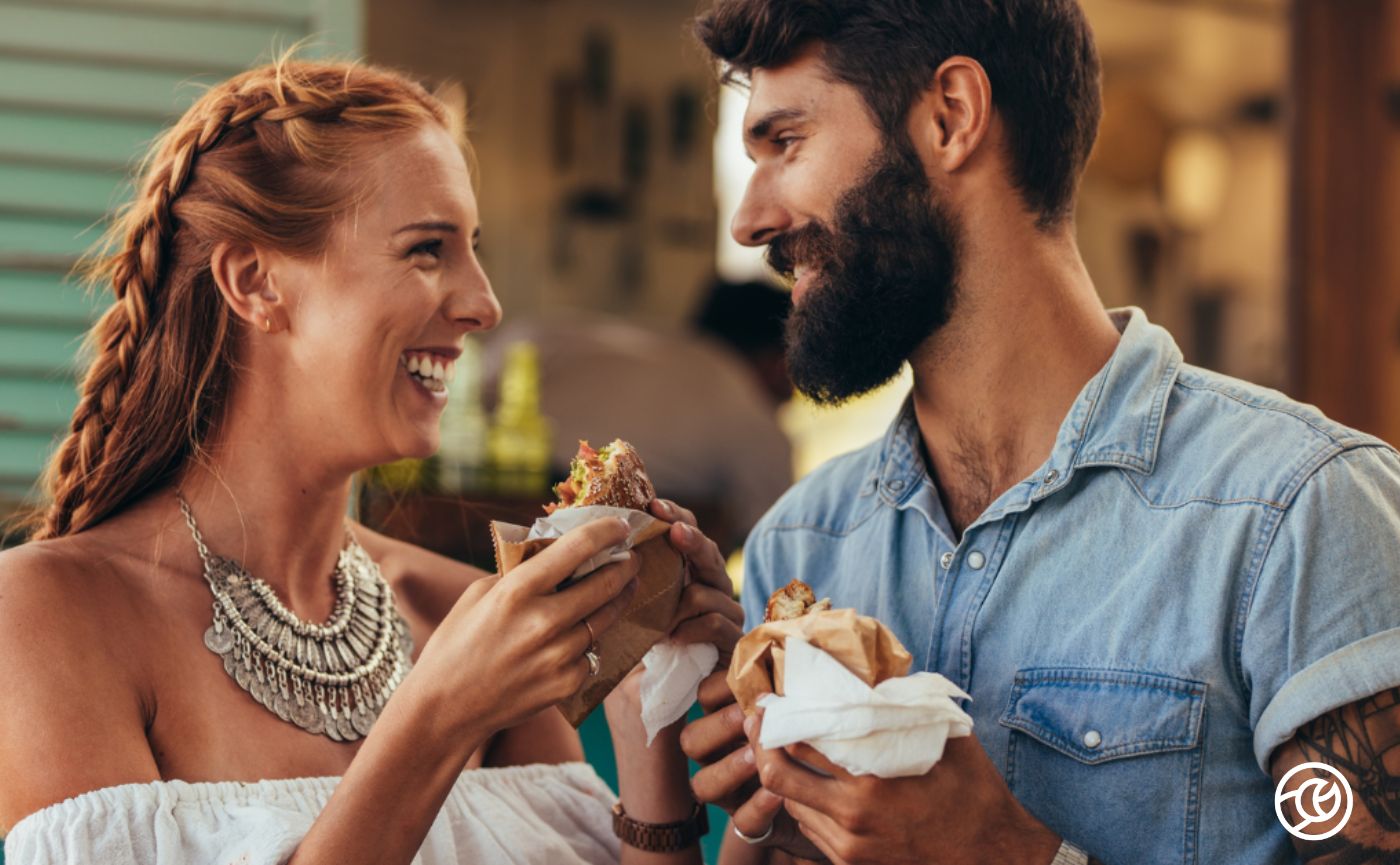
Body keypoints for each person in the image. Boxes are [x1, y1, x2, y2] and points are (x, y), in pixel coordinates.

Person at [677, 2, 1400, 864]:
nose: (749, 220)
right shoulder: (802, 545)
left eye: (785, 142)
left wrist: (1005, 850)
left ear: (951, 117)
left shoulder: (1301, 514)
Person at [0, 58, 743, 865]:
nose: (483, 303)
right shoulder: (47, 616)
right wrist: (436, 716)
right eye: (427, 250)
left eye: (473, 249)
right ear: (255, 283)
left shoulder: (461, 610)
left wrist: (649, 719)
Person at [484, 279, 794, 547]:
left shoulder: (560, 334)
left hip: (487, 491)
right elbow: (776, 534)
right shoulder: (742, 402)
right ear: (776, 360)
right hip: (579, 525)